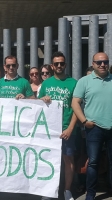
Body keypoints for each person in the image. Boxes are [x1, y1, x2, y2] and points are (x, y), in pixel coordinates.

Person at [72, 52, 112, 200]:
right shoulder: (84, 81)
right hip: (93, 128)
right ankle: (90, 194)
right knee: (93, 162)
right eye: (99, 62)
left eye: (105, 62)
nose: (103, 65)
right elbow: (75, 102)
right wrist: (84, 121)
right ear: (93, 64)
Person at [38, 51, 77, 200]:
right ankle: (49, 191)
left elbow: (76, 108)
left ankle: (67, 190)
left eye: (62, 63)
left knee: (68, 160)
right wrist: (43, 98)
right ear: (52, 66)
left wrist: (70, 128)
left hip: (66, 128)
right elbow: (39, 106)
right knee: (47, 160)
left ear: (65, 65)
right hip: (49, 130)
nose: (59, 66)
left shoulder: (74, 83)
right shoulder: (46, 84)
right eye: (56, 64)